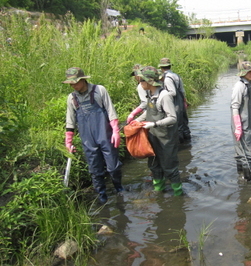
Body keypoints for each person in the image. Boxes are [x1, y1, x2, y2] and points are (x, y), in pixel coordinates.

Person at [63, 67, 123, 204]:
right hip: (88, 140)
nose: (73, 86)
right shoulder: (71, 98)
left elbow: (111, 111)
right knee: (95, 170)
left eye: (75, 82)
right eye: (70, 84)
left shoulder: (99, 90)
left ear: (83, 80)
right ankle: (102, 197)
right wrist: (68, 141)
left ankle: (119, 189)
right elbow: (70, 121)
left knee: (113, 167)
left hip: (105, 135)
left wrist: (115, 131)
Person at [133, 66, 183, 196]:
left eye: (142, 80)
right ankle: (158, 191)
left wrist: (154, 124)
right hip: (153, 137)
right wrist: (137, 120)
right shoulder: (149, 94)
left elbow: (172, 118)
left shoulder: (164, 96)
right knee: (154, 166)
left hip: (166, 138)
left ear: (150, 81)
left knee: (169, 167)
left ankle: (178, 195)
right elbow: (148, 112)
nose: (140, 83)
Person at [231, 61, 251, 180]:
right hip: (241, 123)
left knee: (244, 148)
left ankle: (241, 175)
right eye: (249, 72)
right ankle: (248, 179)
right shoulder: (240, 86)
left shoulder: (249, 84)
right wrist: (238, 126)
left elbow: (249, 105)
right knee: (245, 150)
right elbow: (235, 106)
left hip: (248, 122)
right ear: (243, 73)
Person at [158, 58, 191, 143]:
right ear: (169, 66)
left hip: (175, 102)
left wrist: (162, 95)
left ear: (161, 67)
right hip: (180, 100)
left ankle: (181, 146)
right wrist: (184, 101)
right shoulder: (176, 75)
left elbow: (172, 92)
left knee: (177, 125)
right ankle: (188, 142)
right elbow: (182, 90)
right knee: (183, 123)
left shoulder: (167, 78)